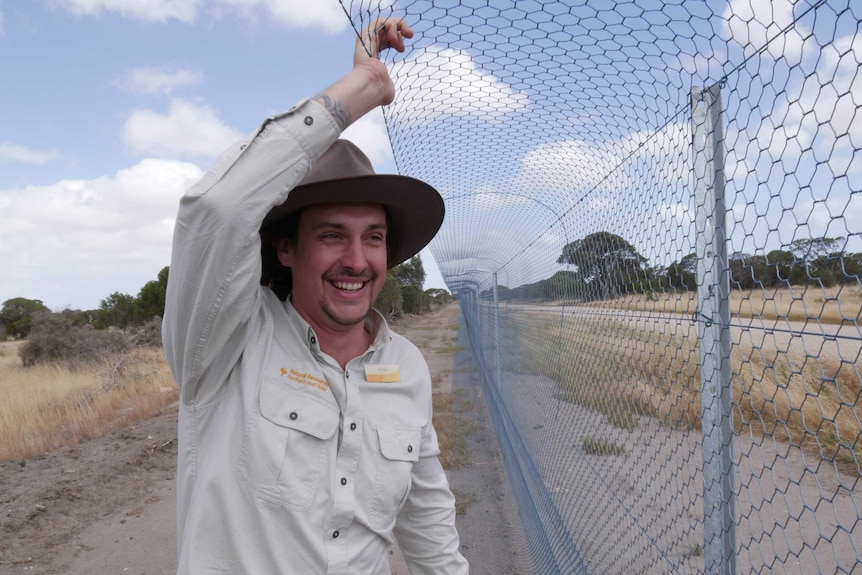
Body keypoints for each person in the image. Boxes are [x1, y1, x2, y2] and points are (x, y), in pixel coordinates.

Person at [162, 16, 469, 575]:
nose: (356, 260)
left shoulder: (406, 366)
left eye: (372, 238)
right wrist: (363, 89)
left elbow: (426, 518)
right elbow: (218, 209)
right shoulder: (224, 347)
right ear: (285, 249)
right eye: (331, 235)